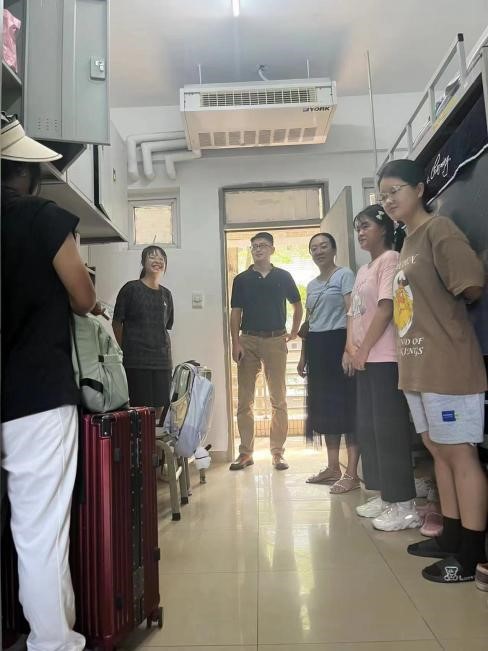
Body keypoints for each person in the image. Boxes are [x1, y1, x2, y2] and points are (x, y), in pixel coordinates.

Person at [1, 114, 96, 651]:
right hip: (35, 396)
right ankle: (52, 643)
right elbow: (83, 297)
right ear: (26, 174)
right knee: (39, 531)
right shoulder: (42, 217)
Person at [379, 159, 488, 584]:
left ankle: (471, 554)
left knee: (460, 454)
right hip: (416, 365)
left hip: (447, 362)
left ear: (420, 189)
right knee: (438, 452)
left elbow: (471, 283)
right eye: (383, 195)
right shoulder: (407, 241)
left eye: (395, 191)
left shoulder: (439, 230)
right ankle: (452, 536)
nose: (388, 200)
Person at [348, 204, 419, 531]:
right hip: (363, 358)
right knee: (369, 428)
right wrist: (349, 348)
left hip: (384, 357)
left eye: (365, 226)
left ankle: (404, 503)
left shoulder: (391, 259)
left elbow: (386, 308)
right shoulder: (363, 269)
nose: (360, 233)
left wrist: (363, 349)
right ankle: (383, 495)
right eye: (357, 228)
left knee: (389, 430)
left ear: (384, 228)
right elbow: (354, 312)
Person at [230, 232, 303, 471]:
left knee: (278, 399)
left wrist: (294, 332)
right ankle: (245, 453)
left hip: (275, 340)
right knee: (245, 400)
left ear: (272, 249)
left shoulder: (283, 276)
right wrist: (235, 343)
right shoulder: (241, 279)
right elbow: (235, 313)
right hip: (248, 340)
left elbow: (297, 305)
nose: (258, 249)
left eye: (262, 245)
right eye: (254, 246)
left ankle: (278, 453)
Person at [297, 233, 360, 493]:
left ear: (334, 249)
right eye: (314, 248)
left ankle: (352, 473)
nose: (319, 251)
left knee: (347, 408)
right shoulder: (312, 285)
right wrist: (304, 356)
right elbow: (309, 322)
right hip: (318, 347)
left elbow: (353, 312)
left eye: (324, 246)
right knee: (326, 410)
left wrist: (349, 348)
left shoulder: (345, 275)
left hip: (339, 344)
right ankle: (333, 468)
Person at [113, 245, 174, 423]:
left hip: (162, 361)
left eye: (161, 258)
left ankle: (153, 440)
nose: (157, 261)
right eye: (152, 257)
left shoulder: (166, 295)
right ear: (143, 262)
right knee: (139, 411)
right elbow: (117, 322)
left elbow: (165, 327)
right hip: (136, 361)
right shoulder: (131, 289)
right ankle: (140, 441)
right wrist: (125, 348)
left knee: (160, 409)